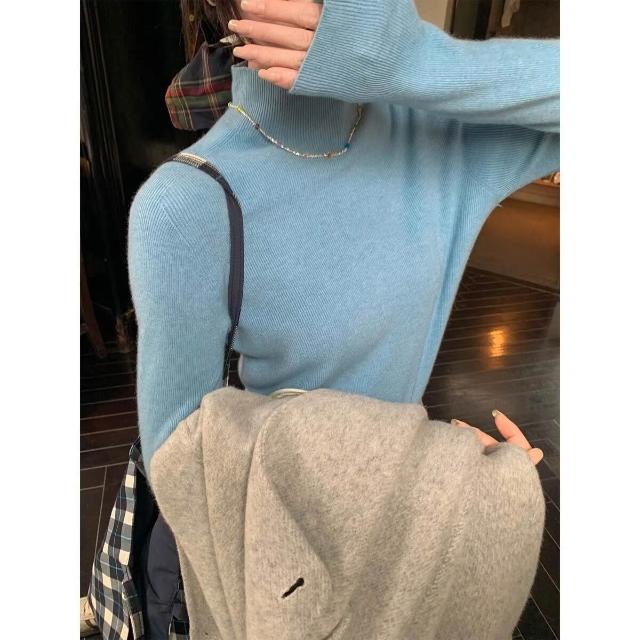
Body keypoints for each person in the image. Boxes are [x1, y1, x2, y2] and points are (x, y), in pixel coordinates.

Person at [127, 0, 558, 635]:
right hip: (280, 550)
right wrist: (420, 464)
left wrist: (411, 59)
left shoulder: (438, 143)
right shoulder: (189, 201)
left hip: (399, 534)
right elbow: (179, 464)